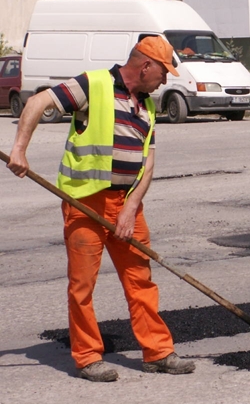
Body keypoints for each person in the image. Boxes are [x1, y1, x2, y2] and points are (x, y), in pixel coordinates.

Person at [6, 36, 196, 381]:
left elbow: (148, 164)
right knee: (82, 285)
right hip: (84, 202)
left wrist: (130, 207)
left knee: (141, 279)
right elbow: (37, 102)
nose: (165, 81)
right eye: (163, 73)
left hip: (127, 205)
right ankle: (88, 356)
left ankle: (158, 353)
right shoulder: (92, 84)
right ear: (146, 66)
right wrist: (19, 150)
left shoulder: (147, 106)